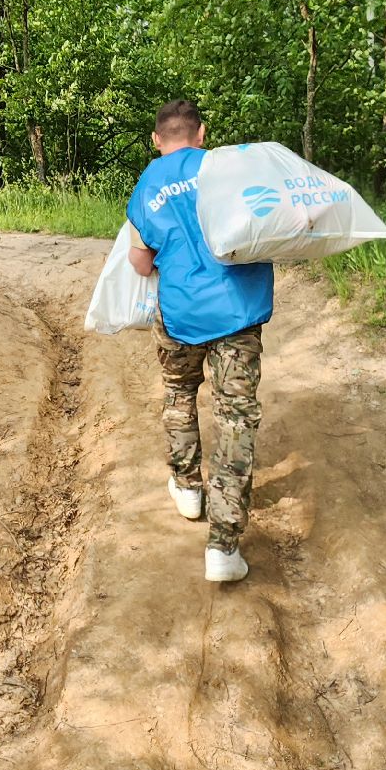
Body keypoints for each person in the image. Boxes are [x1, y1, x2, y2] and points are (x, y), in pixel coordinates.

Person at [125, 100, 274, 582]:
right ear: (201, 133)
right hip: (236, 313)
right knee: (235, 418)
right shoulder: (224, 168)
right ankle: (224, 547)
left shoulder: (147, 186)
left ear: (157, 140)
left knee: (179, 392)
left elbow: (141, 262)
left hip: (181, 315)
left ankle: (188, 489)